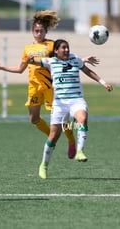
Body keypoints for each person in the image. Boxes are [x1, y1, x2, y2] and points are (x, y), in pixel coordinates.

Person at [0, 10, 99, 159]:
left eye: (41, 31)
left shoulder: (51, 45)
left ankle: (71, 140)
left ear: (46, 31)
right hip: (34, 87)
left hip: (50, 87)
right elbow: (20, 69)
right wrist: (2, 67)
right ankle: (52, 135)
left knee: (63, 121)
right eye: (36, 31)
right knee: (33, 119)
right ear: (32, 31)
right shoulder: (28, 49)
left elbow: (66, 57)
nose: (38, 34)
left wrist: (83, 59)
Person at [27, 39, 113, 179]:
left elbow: (87, 71)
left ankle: (80, 151)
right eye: (63, 48)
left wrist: (103, 82)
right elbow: (34, 62)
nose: (66, 50)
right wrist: (31, 59)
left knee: (83, 119)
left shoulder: (74, 58)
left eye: (67, 47)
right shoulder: (51, 61)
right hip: (60, 103)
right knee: (54, 136)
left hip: (76, 100)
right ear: (56, 51)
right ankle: (43, 165)